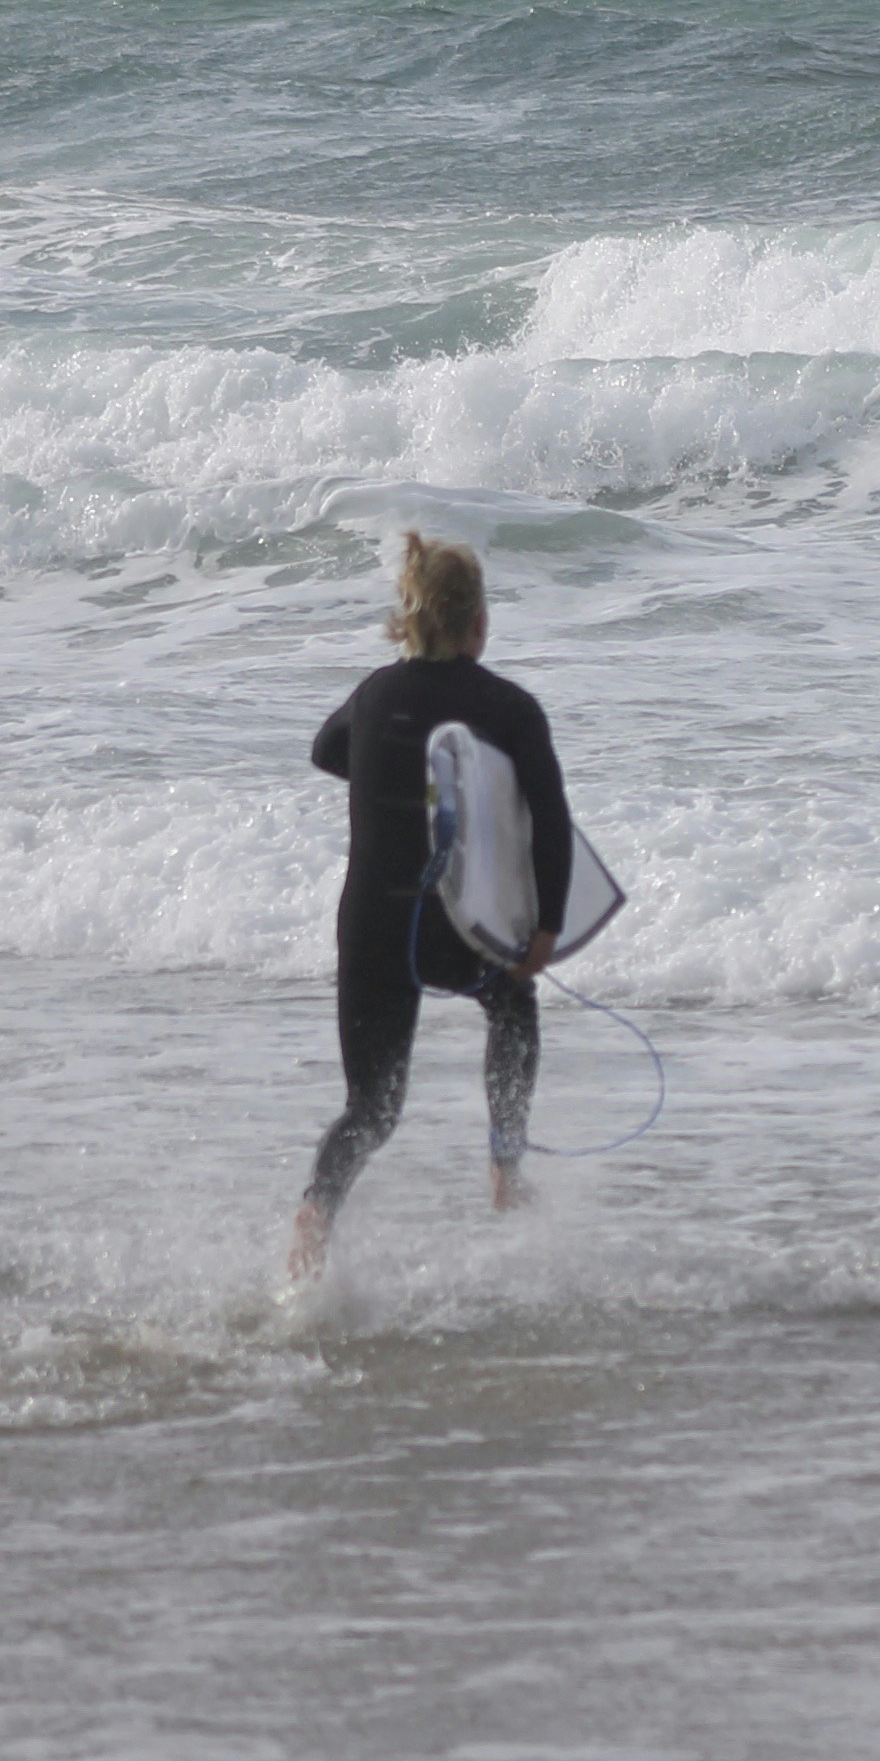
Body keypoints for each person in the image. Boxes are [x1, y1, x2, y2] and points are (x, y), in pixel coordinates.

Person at [292, 532, 575, 1278]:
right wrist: (544, 929)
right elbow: (548, 820)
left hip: (374, 927)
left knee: (372, 1108)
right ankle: (505, 1170)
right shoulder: (508, 708)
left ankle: (315, 1217)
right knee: (513, 1005)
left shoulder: (374, 694)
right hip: (456, 926)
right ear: (478, 622)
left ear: (409, 619)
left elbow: (325, 752)